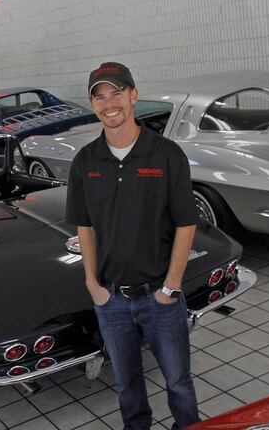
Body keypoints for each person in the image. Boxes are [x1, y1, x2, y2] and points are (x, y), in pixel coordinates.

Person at [65, 62, 200, 430]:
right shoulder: (85, 161)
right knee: (127, 385)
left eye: (117, 93)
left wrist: (171, 287)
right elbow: (85, 227)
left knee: (178, 382)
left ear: (133, 95)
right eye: (100, 96)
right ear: (93, 104)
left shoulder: (167, 155)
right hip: (112, 301)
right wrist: (93, 285)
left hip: (161, 296)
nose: (110, 104)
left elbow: (186, 225)